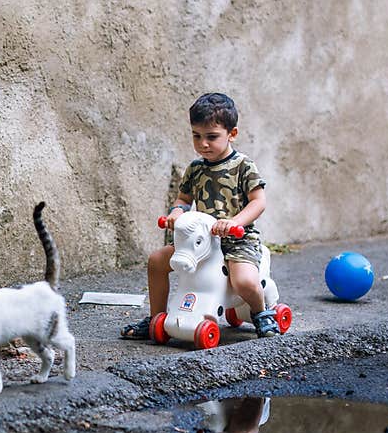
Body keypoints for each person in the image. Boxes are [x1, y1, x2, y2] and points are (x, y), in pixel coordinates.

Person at [120, 92, 280, 339]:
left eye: (212, 137)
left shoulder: (243, 166)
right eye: (196, 136)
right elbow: (184, 199)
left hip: (238, 239)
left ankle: (261, 313)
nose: (203, 143)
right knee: (156, 261)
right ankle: (155, 317)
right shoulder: (195, 169)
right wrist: (176, 212)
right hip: (201, 240)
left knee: (245, 281)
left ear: (232, 134)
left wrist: (235, 222)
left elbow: (258, 202)